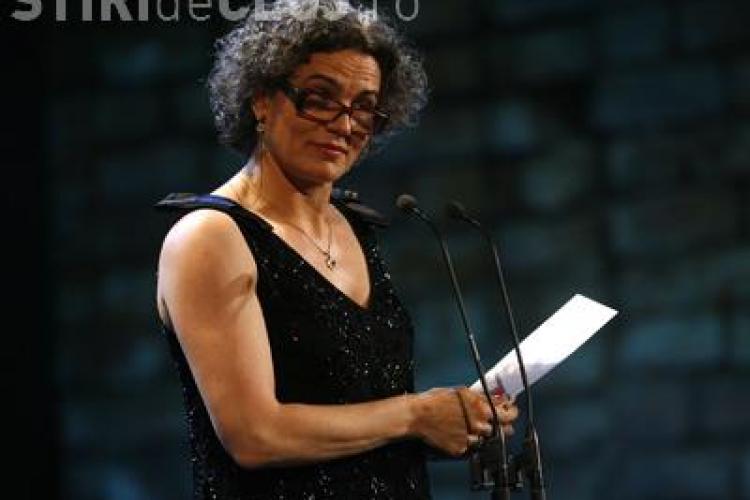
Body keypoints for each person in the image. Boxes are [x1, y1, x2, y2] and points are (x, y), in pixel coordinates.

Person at [155, 1, 518, 498]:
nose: (345, 125)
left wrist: (449, 424)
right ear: (261, 100)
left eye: (364, 107)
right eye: (321, 99)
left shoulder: (353, 225)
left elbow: (358, 416)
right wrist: (415, 415)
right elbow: (254, 435)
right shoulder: (211, 236)